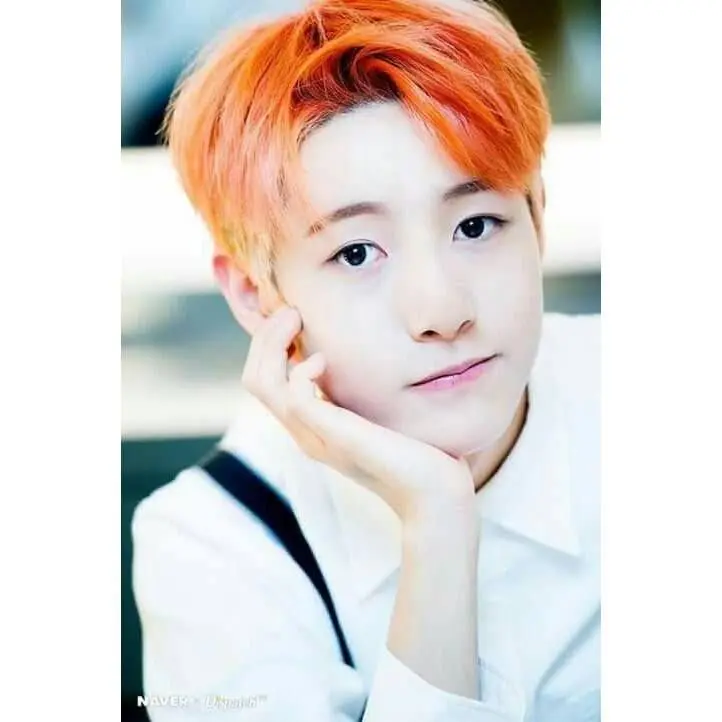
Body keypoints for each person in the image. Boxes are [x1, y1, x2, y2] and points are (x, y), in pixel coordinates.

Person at [131, 0, 600, 719]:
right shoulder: (213, 545)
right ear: (256, 295)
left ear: (537, 218)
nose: (441, 310)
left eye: (476, 225)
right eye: (356, 253)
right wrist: (438, 525)